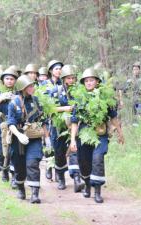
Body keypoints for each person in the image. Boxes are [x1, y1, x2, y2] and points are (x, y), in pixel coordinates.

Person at [69, 68, 124, 203]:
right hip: (84, 134)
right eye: (86, 81)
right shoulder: (80, 99)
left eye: (91, 80)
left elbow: (113, 117)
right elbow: (75, 121)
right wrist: (72, 140)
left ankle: (98, 191)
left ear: (97, 82)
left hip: (100, 133)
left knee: (98, 159)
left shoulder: (106, 98)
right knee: (84, 162)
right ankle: (87, 185)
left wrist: (120, 133)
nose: (89, 83)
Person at [7, 75, 47, 203]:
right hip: (17, 139)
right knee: (19, 166)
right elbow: (11, 123)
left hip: (34, 138)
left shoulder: (37, 101)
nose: (32, 88)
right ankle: (20, 188)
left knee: (33, 163)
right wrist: (19, 135)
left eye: (32, 85)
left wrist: (48, 138)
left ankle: (35, 194)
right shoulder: (14, 103)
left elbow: (43, 121)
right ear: (22, 88)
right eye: (29, 86)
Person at [53, 64, 85, 192]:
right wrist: (63, 109)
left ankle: (77, 178)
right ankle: (61, 177)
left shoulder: (80, 91)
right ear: (63, 79)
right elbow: (48, 109)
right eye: (68, 78)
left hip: (76, 124)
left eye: (73, 78)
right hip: (59, 126)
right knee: (59, 153)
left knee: (75, 149)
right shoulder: (57, 91)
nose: (71, 81)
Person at [43, 59, 64, 181]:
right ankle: (49, 167)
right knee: (49, 145)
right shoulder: (45, 84)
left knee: (59, 147)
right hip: (48, 119)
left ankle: (59, 172)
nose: (59, 71)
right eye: (56, 68)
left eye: (60, 68)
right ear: (51, 71)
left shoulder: (64, 83)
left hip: (61, 119)